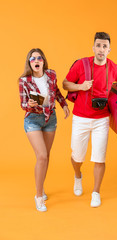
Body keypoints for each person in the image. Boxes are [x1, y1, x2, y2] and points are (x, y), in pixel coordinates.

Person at [63, 32, 117, 207]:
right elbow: (65, 83)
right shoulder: (81, 64)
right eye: (98, 45)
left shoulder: (115, 68)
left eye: (104, 46)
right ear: (93, 47)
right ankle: (78, 175)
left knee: (99, 158)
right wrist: (81, 86)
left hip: (102, 119)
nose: (101, 49)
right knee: (77, 157)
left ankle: (96, 192)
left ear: (109, 49)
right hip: (80, 118)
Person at [19, 48, 70, 212]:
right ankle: (38, 196)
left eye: (39, 58)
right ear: (29, 62)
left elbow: (56, 92)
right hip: (32, 120)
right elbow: (22, 104)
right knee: (41, 156)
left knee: (46, 157)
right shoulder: (24, 80)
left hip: (50, 119)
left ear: (43, 61)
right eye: (32, 58)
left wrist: (64, 105)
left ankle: (40, 187)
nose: (36, 60)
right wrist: (29, 105)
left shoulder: (52, 75)